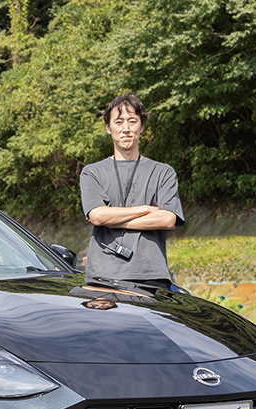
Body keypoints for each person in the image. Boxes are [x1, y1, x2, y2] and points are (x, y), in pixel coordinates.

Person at [79, 92, 184, 289]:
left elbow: (167, 219)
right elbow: (98, 216)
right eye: (118, 122)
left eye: (132, 121)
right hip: (101, 275)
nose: (126, 128)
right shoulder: (92, 172)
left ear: (141, 126)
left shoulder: (163, 172)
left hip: (150, 275)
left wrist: (112, 219)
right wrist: (146, 209)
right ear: (108, 128)